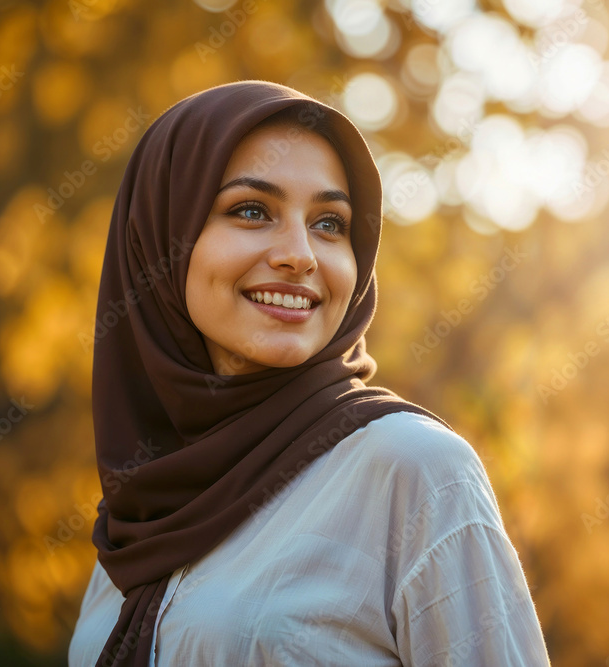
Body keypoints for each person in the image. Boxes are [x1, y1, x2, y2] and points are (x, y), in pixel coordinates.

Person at [68, 79, 552, 667]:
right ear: (156, 238)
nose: (299, 254)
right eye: (251, 211)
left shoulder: (415, 472)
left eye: (329, 223)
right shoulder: (139, 511)